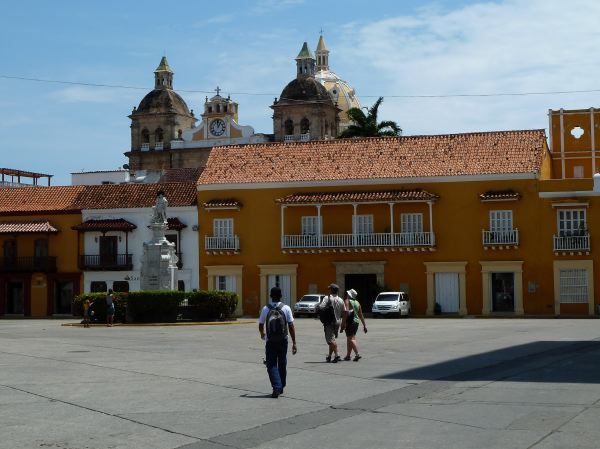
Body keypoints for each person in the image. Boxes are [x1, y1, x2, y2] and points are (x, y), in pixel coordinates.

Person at [258, 287, 297, 398]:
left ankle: (276, 387)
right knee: (282, 363)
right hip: (283, 340)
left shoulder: (266, 308)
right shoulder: (286, 308)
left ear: (270, 296)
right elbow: (291, 325)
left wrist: (262, 334)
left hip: (270, 341)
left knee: (271, 364)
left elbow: (260, 324)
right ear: (281, 296)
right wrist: (294, 342)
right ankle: (281, 386)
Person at [317, 283, 346, 363]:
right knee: (332, 338)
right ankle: (329, 356)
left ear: (331, 290)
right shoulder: (341, 300)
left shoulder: (327, 298)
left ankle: (337, 355)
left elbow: (321, 307)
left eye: (329, 289)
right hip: (337, 322)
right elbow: (344, 312)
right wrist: (343, 324)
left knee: (331, 340)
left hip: (329, 322)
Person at [343, 289, 367, 361]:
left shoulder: (347, 301)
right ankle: (348, 355)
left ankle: (357, 354)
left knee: (351, 338)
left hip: (350, 322)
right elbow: (361, 315)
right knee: (349, 338)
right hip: (356, 322)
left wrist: (343, 323)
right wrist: (364, 325)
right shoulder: (357, 302)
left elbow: (346, 312)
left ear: (349, 295)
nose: (346, 294)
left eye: (347, 293)